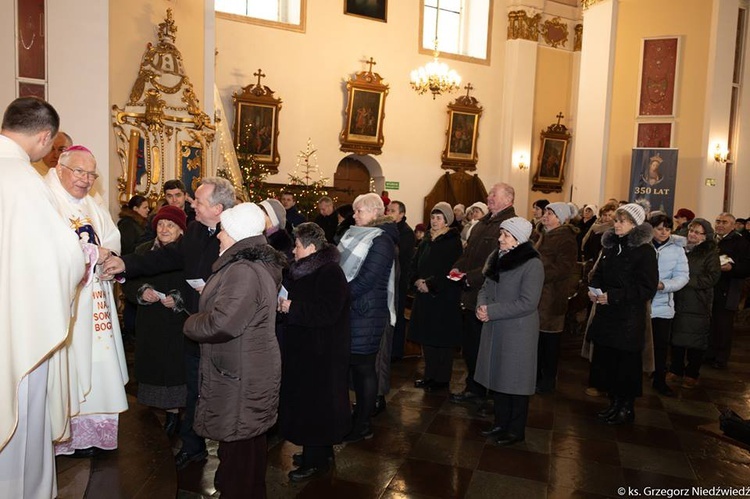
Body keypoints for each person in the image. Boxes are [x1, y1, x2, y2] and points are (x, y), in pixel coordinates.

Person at [102, 177, 236, 470]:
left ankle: (230, 455)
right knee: (192, 389)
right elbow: (168, 256)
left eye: (198, 201)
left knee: (221, 393)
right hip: (194, 324)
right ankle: (193, 446)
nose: (191, 204)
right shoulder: (198, 229)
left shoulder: (238, 232)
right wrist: (126, 263)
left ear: (217, 207)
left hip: (224, 331)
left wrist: (215, 290)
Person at [0, 97, 85, 498]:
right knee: (19, 413)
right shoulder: (24, 181)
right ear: (44, 137)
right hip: (18, 325)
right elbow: (65, 255)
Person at [183, 202, 284, 498]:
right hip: (245, 370)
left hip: (240, 376)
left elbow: (222, 324)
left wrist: (191, 322)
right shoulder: (251, 265)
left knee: (238, 459)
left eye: (223, 230)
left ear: (237, 235)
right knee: (247, 451)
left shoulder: (243, 270)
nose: (218, 236)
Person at [45, 145, 129, 457]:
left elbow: (111, 238)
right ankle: (64, 435)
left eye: (91, 174)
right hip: (68, 303)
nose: (86, 179)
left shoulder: (94, 205)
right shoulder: (46, 198)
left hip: (96, 298)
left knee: (98, 362)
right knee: (69, 363)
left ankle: (93, 431)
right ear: (60, 168)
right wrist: (93, 254)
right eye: (80, 172)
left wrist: (109, 259)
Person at [277, 223, 351, 481]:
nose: (293, 251)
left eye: (296, 246)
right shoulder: (303, 270)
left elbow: (327, 312)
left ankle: (316, 461)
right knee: (311, 406)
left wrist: (292, 308)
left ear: (309, 248)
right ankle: (317, 452)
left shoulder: (330, 272)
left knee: (317, 408)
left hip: (322, 353)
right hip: (307, 350)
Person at [586, 202, 658, 425]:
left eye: (622, 221)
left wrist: (614, 296)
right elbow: (598, 274)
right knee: (610, 362)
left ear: (635, 225)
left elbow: (647, 287)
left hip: (628, 317)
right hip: (607, 315)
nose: (616, 224)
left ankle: (626, 407)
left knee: (626, 365)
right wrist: (593, 290)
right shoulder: (610, 247)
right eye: (616, 220)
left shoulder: (645, 251)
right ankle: (614, 403)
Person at [475, 217, 544, 446]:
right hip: (496, 325)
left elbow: (528, 302)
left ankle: (515, 430)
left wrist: (491, 311)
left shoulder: (532, 263)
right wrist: (481, 306)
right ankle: (500, 423)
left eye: (505, 235)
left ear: (519, 239)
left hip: (518, 330)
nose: (500, 238)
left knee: (516, 381)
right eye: (501, 233)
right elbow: (485, 287)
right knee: (499, 376)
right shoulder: (497, 257)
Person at [122, 205, 189, 438]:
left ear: (181, 229)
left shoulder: (186, 253)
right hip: (150, 322)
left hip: (176, 323)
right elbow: (127, 282)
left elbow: (197, 285)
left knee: (173, 370)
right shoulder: (142, 250)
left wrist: (179, 298)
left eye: (170, 225)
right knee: (152, 366)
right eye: (160, 224)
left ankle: (173, 414)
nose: (164, 229)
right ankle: (155, 413)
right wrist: (142, 291)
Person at [450, 183, 518, 409]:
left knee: (483, 347)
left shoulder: (508, 226)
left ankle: (485, 391)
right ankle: (473, 387)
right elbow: (468, 252)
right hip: (470, 294)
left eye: (493, 195)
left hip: (489, 296)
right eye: (489, 194)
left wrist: (470, 277)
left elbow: (498, 261)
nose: (488, 198)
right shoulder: (483, 223)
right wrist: (457, 269)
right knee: (471, 346)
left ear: (508, 199)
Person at [338, 193, 398, 442]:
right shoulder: (355, 235)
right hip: (353, 311)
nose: (355, 215)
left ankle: (363, 423)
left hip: (366, 313)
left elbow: (366, 280)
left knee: (364, 370)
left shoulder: (381, 240)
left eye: (359, 211)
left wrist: (334, 294)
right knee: (353, 369)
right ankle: (354, 417)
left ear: (375, 212)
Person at [409, 202, 463, 392]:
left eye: (439, 218)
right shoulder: (426, 240)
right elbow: (414, 263)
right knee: (427, 338)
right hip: (424, 297)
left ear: (447, 220)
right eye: (433, 217)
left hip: (443, 298)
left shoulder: (452, 241)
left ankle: (442, 378)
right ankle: (429, 375)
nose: (434, 221)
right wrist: (416, 280)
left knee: (442, 340)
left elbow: (452, 270)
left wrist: (430, 283)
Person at [669, 218, 721, 388]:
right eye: (691, 230)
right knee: (676, 336)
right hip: (678, 298)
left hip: (698, 301)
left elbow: (712, 277)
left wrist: (685, 280)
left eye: (697, 232)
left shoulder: (710, 253)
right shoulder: (680, 249)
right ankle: (675, 369)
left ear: (705, 236)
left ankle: (692, 373)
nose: (692, 234)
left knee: (696, 339)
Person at [535, 202, 579, 393]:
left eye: (550, 213)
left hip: (552, 297)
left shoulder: (566, 239)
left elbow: (564, 268)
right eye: (545, 212)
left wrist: (537, 269)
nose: (545, 216)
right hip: (539, 295)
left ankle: (547, 381)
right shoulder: (543, 235)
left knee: (549, 342)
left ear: (560, 218)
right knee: (537, 341)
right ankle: (535, 377)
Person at [648, 213, 689, 396]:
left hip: (663, 303)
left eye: (667, 228)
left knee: (661, 345)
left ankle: (659, 379)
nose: (664, 232)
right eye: (659, 228)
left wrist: (664, 285)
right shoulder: (643, 245)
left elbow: (683, 275)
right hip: (641, 303)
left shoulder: (677, 249)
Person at [707, 213, 750, 369]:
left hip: (729, 288)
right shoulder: (711, 239)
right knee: (710, 324)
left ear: (733, 225)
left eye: (724, 222)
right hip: (711, 287)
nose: (719, 224)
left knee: (723, 325)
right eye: (718, 221)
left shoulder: (741, 242)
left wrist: (732, 268)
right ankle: (709, 354)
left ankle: (720, 358)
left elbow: (746, 266)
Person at [385, 200, 416, 361]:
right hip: (389, 279)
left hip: (399, 280)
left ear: (401, 214)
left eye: (392, 210)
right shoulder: (389, 229)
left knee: (397, 314)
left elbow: (398, 255)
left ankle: (396, 351)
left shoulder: (406, 232)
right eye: (388, 210)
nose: (388, 212)